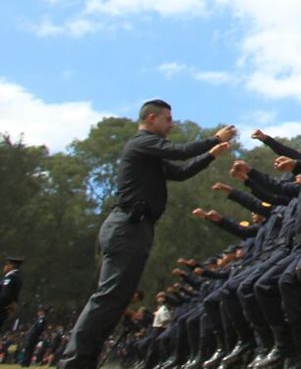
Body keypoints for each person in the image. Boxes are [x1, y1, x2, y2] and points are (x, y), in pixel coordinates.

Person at [59, 100, 234, 369]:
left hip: (135, 227)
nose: (172, 124)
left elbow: (181, 171)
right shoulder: (142, 142)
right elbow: (180, 151)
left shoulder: (151, 153)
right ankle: (74, 361)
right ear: (151, 119)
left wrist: (211, 155)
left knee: (115, 300)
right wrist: (213, 139)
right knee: (109, 297)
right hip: (127, 226)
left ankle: (84, 360)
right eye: (167, 119)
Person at [0, 257, 22, 332]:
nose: (4, 267)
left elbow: (5, 296)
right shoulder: (16, 277)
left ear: (11, 266)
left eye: (6, 264)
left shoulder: (11, 277)